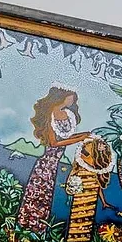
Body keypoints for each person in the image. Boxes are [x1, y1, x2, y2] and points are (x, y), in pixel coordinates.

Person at [17, 86, 91, 232]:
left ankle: (38, 227)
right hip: (46, 164)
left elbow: (66, 137)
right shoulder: (50, 114)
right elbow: (54, 143)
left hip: (53, 164)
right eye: (71, 97)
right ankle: (28, 225)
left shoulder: (67, 114)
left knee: (45, 195)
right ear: (62, 96)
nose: (73, 100)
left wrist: (83, 135)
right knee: (37, 193)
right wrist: (79, 138)